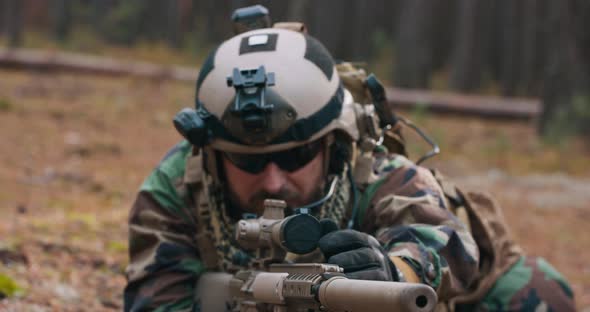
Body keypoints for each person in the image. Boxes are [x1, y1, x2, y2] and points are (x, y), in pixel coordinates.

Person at [123, 26, 575, 311]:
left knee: (538, 292)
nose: (274, 179)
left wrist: (395, 271)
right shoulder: (178, 186)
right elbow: (158, 297)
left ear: (333, 145)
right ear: (213, 154)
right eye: (249, 161)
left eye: (296, 156)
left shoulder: (379, 173)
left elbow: (440, 245)